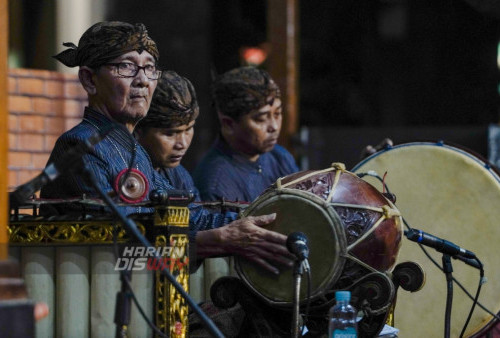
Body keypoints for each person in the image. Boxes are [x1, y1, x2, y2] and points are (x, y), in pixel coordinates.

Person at [39, 21, 293, 275]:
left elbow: (189, 215)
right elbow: (120, 250)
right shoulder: (80, 147)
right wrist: (213, 241)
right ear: (89, 79)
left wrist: (266, 218)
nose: (142, 80)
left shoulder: (134, 151)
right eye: (126, 66)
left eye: (149, 68)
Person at [192, 66, 299, 203]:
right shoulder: (215, 183)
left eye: (277, 114)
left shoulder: (280, 157)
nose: (274, 126)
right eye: (261, 119)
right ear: (229, 124)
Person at [135, 70, 200, 200]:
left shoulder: (178, 174)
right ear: (138, 130)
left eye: (188, 129)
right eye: (170, 134)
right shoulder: (128, 177)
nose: (182, 144)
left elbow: (197, 215)